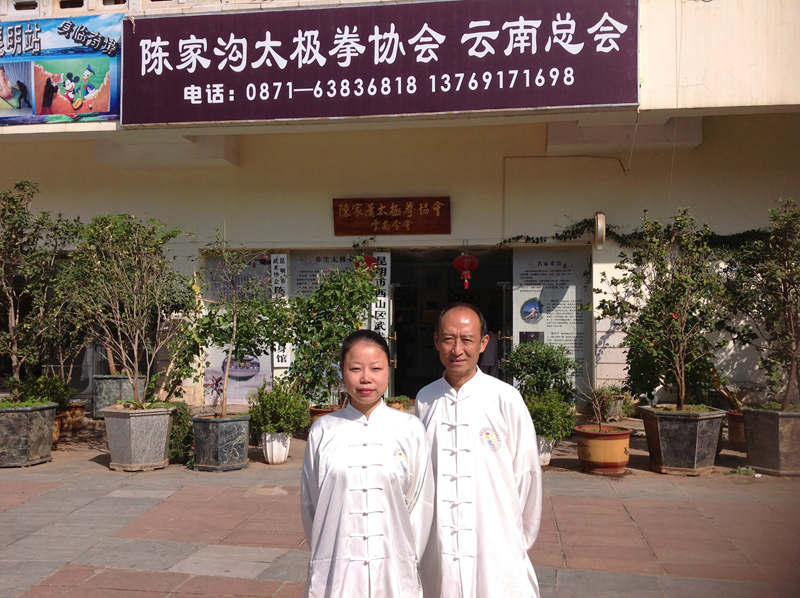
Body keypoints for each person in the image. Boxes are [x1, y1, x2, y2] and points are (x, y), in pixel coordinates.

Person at [415, 303, 542, 598]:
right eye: (449, 339)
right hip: (440, 543)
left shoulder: (506, 399)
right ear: (436, 341)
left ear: (484, 343)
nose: (457, 350)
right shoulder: (425, 399)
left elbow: (527, 476)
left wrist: (515, 540)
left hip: (494, 542)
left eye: (467, 339)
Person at [301, 329, 435, 598]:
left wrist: (406, 559)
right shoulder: (323, 430)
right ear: (342, 371)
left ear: (389, 369)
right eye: (355, 369)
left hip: (394, 570)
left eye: (375, 368)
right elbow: (311, 504)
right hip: (337, 568)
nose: (366, 378)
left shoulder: (409, 429)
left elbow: (420, 504)